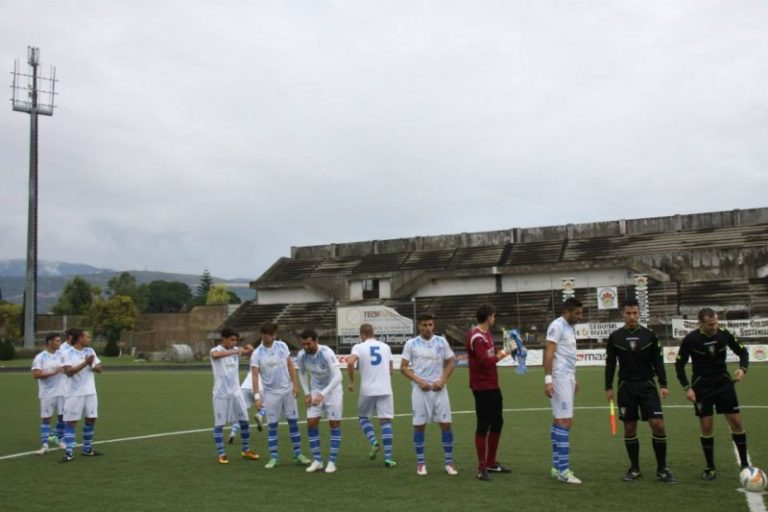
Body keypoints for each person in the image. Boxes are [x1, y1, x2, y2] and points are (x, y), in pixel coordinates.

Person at [675, 308, 750, 480]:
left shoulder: (724, 335)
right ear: (701, 323)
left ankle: (745, 464)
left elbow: (743, 352)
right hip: (702, 387)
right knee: (707, 427)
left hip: (724, 384)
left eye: (716, 322)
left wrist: (742, 368)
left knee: (737, 423)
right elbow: (679, 365)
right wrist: (687, 387)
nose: (715, 326)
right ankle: (710, 467)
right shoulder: (691, 339)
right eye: (710, 324)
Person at [605, 299, 675, 483]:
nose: (632, 316)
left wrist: (664, 383)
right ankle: (634, 468)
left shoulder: (649, 335)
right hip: (626, 387)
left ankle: (662, 469)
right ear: (623, 314)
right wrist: (608, 387)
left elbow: (658, 362)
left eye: (635, 313)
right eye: (628, 313)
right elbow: (610, 364)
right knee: (629, 428)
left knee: (658, 425)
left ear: (639, 313)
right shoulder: (615, 337)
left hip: (647, 386)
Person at [400, 312, 457, 477]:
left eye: (430, 324)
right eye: (424, 325)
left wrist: (443, 380)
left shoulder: (441, 341)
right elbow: (403, 367)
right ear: (419, 326)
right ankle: (420, 463)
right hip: (420, 391)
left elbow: (451, 362)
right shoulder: (411, 343)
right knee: (419, 425)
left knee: (446, 424)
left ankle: (448, 462)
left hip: (439, 390)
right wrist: (419, 380)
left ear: (434, 325)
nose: (428, 328)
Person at [251, 322, 312, 468]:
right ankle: (274, 457)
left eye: (272, 334)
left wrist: (295, 385)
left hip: (287, 391)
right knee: (272, 425)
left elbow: (290, 365)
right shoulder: (257, 353)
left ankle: (298, 455)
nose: (270, 337)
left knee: (293, 423)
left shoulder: (282, 346)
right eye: (267, 334)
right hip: (271, 394)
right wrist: (257, 397)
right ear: (263, 335)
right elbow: (254, 376)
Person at [467, 304, 511, 481]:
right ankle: (481, 467)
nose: (495, 319)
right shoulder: (476, 337)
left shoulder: (487, 335)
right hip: (482, 387)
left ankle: (491, 462)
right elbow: (485, 361)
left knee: (497, 422)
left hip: (493, 385)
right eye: (493, 316)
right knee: (483, 425)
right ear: (488, 318)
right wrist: (503, 353)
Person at [543, 297, 583, 484]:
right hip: (558, 378)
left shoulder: (568, 328)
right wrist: (548, 380)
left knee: (561, 420)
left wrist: (574, 378)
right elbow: (549, 353)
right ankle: (563, 470)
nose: (580, 316)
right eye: (577, 313)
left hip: (567, 378)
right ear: (567, 311)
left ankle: (556, 465)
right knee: (564, 421)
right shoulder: (557, 326)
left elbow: (567, 355)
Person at [347, 323, 397, 467]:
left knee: (363, 417)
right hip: (385, 389)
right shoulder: (385, 347)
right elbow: (391, 370)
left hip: (367, 389)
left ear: (362, 334)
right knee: (386, 422)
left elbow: (350, 362)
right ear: (373, 333)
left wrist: (351, 381)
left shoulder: (358, 347)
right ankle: (388, 458)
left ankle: (374, 441)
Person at [209, 327, 259, 464]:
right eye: (232, 340)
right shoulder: (215, 350)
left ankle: (246, 450)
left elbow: (251, 353)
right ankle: (221, 454)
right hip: (221, 394)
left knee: (244, 422)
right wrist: (237, 350)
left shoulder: (235, 352)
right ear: (223, 339)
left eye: (236, 340)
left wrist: (250, 348)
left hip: (236, 393)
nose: (234, 342)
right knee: (219, 425)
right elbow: (216, 356)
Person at [297, 329, 343, 473]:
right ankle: (317, 460)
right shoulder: (302, 355)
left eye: (308, 344)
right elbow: (302, 373)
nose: (306, 347)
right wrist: (307, 393)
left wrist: (323, 394)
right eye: (303, 344)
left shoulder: (326, 353)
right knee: (311, 423)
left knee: (334, 424)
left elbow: (339, 376)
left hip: (333, 389)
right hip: (316, 390)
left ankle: (332, 462)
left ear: (316, 341)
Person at [60, 329, 102, 462]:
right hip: (74, 393)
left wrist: (94, 366)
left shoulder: (90, 351)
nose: (88, 339)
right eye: (86, 337)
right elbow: (69, 372)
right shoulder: (67, 353)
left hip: (90, 391)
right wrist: (86, 363)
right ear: (79, 339)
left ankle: (87, 449)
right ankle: (69, 453)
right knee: (71, 422)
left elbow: (99, 369)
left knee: (91, 419)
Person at [31, 333, 67, 454]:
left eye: (60, 341)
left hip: (62, 392)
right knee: (46, 419)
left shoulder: (62, 355)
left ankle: (60, 439)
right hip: (47, 393)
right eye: (57, 341)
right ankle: (45, 445)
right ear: (49, 342)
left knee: (63, 417)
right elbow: (36, 375)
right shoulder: (40, 357)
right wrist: (53, 372)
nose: (59, 343)